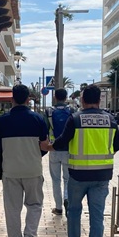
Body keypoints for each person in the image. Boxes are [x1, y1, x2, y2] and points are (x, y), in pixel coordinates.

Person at [41, 85, 119, 237]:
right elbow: (116, 146)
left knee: (74, 211)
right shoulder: (110, 120)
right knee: (97, 217)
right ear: (99, 100)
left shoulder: (76, 119)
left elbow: (62, 141)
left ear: (83, 100)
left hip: (78, 175)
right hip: (102, 176)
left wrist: (48, 147)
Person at [0, 84, 48, 237]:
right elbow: (44, 147)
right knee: (35, 204)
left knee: (12, 209)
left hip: (11, 171)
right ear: (28, 99)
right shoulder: (38, 119)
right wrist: (34, 154)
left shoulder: (2, 121)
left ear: (12, 99)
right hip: (33, 170)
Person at [44, 88, 73, 216]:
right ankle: (67, 198)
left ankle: (58, 207)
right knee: (67, 179)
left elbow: (45, 129)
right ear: (66, 97)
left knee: (56, 180)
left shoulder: (49, 111)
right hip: (69, 149)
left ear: (55, 97)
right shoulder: (72, 111)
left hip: (53, 148)